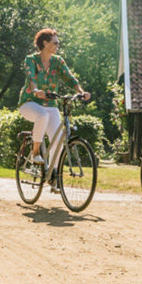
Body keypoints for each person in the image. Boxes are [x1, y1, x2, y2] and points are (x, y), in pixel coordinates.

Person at [19, 28, 90, 190]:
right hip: (30, 102)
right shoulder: (31, 60)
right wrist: (36, 91)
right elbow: (31, 78)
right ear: (45, 43)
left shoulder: (58, 61)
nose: (58, 45)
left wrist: (81, 92)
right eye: (55, 42)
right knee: (42, 116)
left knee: (58, 140)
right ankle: (36, 151)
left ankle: (53, 175)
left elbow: (70, 78)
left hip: (51, 104)